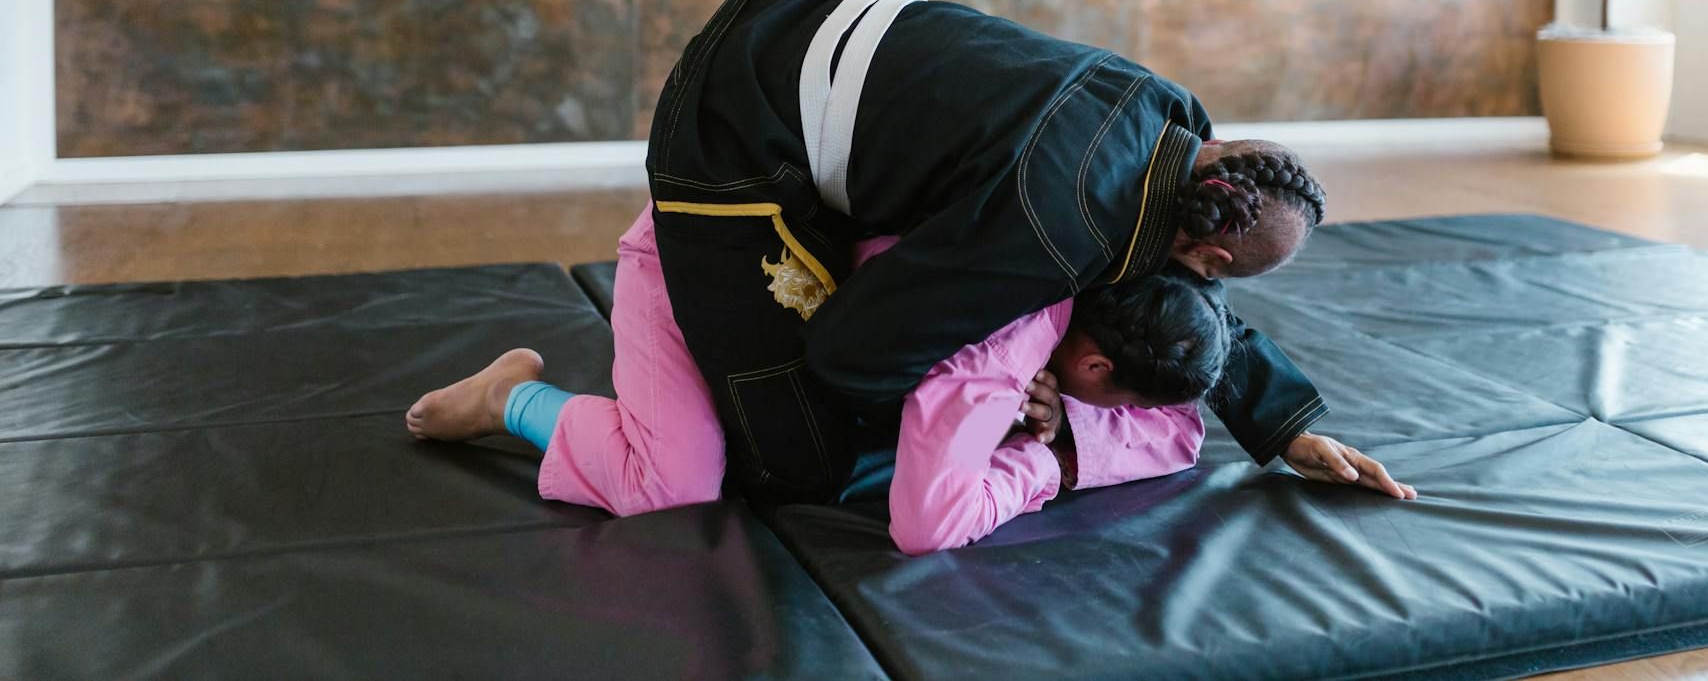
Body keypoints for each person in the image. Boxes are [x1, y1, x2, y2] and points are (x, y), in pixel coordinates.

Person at [637, 0, 1411, 502]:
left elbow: (1170, 284)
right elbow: (849, 352)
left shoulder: (1167, 113)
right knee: (802, 464)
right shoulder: (1058, 228)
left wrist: (1282, 422)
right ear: (1208, 248)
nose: (1194, 285)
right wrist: (1002, 405)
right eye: (1211, 275)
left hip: (797, 0)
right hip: (727, 131)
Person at [406, 209, 1241, 554]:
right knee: (673, 486)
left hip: (780, 300)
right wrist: (1046, 466)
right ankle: (507, 396)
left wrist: (1050, 424)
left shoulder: (1085, 245)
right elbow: (931, 522)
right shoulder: (1005, 338)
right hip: (698, 268)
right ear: (1096, 366)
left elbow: (1176, 426)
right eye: (1115, 404)